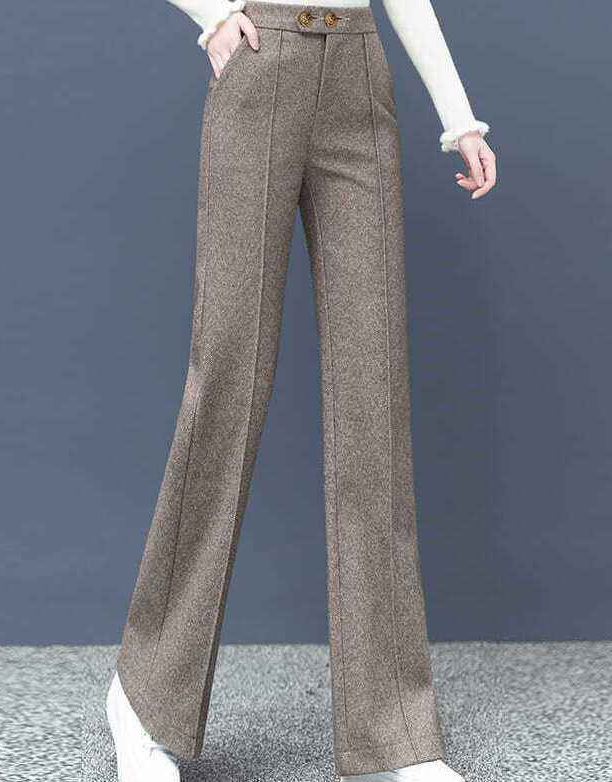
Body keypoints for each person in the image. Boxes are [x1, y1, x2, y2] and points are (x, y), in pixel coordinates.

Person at [106, 0, 496, 780]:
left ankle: (396, 734)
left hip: (359, 76)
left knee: (374, 394)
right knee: (228, 373)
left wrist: (460, 118)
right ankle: (143, 698)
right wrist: (212, 14)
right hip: (264, 63)